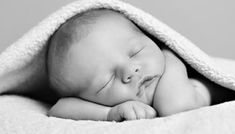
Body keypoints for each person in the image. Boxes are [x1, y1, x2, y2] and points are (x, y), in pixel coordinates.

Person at [47, 9, 235, 121]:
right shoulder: (104, 106)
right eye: (107, 81)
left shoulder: (171, 67)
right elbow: (58, 108)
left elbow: (176, 106)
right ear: (88, 98)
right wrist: (109, 113)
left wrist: (170, 56)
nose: (130, 70)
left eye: (136, 52)